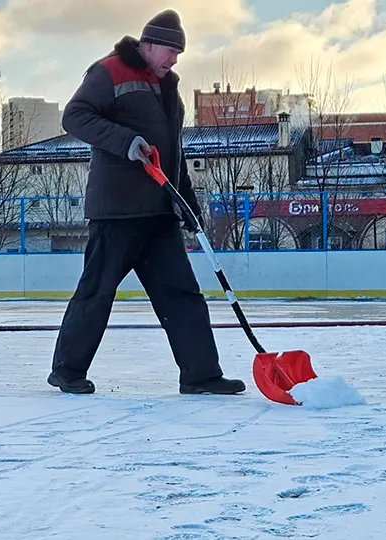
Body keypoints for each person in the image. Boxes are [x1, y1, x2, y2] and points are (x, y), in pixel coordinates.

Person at [47, 9, 246, 395]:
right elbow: (74, 116)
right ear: (148, 44)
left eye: (178, 54)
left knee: (183, 294)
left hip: (160, 214)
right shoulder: (109, 71)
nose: (174, 60)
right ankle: (67, 371)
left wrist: (187, 203)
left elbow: (174, 154)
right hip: (116, 212)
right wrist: (125, 142)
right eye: (170, 51)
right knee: (96, 292)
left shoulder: (169, 88)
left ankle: (200, 374)